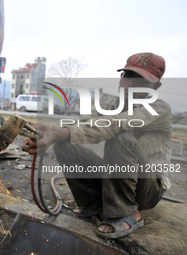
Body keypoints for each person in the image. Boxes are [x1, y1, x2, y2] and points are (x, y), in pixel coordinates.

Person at [23, 52, 172, 239]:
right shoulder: (112, 104)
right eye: (127, 76)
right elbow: (82, 123)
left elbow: (116, 124)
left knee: (121, 137)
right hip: (121, 177)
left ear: (156, 87)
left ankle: (127, 212)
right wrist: (50, 131)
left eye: (141, 80)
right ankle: (93, 201)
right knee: (65, 144)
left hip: (149, 188)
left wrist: (59, 133)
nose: (130, 84)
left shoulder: (159, 109)